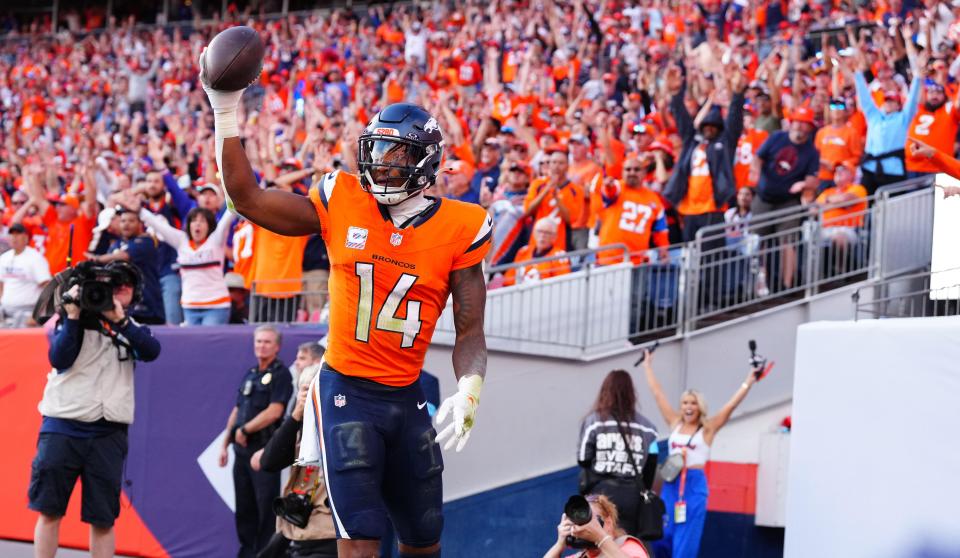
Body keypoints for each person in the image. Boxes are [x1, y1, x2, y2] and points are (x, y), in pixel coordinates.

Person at [203, 53, 490, 557]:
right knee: (358, 538)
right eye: (375, 149)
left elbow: (470, 330)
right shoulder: (342, 197)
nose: (379, 162)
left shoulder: (462, 225)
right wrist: (225, 109)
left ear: (424, 163)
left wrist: (469, 389)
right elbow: (246, 198)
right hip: (346, 391)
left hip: (406, 394)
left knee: (425, 542)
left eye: (395, 154)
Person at [28, 261, 161, 558]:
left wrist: (120, 320)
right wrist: (73, 316)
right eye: (112, 286)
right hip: (62, 425)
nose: (115, 291)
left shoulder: (134, 328)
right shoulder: (70, 319)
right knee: (49, 511)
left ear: (134, 294)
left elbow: (151, 352)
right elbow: (59, 359)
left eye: (125, 286)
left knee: (102, 518)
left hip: (107, 432)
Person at [642, 350, 763, 558]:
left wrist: (748, 381)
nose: (689, 407)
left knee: (686, 540)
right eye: (685, 403)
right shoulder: (675, 422)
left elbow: (731, 406)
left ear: (700, 407)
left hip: (693, 485)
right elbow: (658, 394)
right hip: (671, 483)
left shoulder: (708, 428)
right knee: (664, 535)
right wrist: (647, 366)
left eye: (693, 403)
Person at [218, 325, 294, 558]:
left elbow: (275, 411)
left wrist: (246, 429)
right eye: (258, 341)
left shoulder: (281, 374)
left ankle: (264, 554)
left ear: (277, 346)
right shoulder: (251, 373)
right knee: (245, 508)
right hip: (241, 451)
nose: (261, 345)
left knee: (265, 509)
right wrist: (225, 443)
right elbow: (238, 409)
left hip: (263, 451)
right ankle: (247, 553)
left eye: (267, 342)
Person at [252, 360, 338, 558]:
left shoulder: (344, 425)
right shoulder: (300, 427)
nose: (311, 397)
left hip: (329, 533)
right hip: (296, 530)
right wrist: (297, 413)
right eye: (305, 391)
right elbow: (268, 463)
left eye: (315, 391)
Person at [577, 370, 659, 540]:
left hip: (601, 494)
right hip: (632, 496)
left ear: (605, 391)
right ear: (631, 393)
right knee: (626, 544)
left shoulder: (594, 421)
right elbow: (650, 468)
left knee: (597, 543)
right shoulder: (649, 428)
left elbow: (583, 459)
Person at [134, 200, 236, 326]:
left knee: (210, 345)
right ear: (189, 225)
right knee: (194, 345)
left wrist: (237, 196)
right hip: (190, 306)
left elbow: (228, 217)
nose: (197, 224)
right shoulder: (181, 241)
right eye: (194, 220)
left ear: (209, 225)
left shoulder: (215, 241)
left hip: (217, 305)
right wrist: (139, 210)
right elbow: (159, 226)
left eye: (202, 221)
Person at [87, 208, 166, 325]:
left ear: (140, 223)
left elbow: (124, 256)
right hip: (124, 307)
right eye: (123, 221)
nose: (126, 224)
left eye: (131, 221)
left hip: (148, 307)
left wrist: (96, 259)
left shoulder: (146, 241)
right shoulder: (117, 244)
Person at [595, 160, 670, 266]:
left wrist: (664, 249)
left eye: (636, 169)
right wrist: (608, 186)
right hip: (609, 259)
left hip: (637, 262)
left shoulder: (654, 199)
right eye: (628, 169)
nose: (632, 173)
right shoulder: (618, 187)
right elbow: (609, 193)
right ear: (622, 172)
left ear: (644, 172)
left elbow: (661, 230)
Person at [543, 494, 649, 558]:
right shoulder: (582, 556)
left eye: (592, 520)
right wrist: (559, 545)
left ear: (608, 523)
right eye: (579, 522)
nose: (585, 527)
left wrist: (600, 538)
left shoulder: (627, 546)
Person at [0, 222, 50, 327]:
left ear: (26, 238)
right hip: (5, 310)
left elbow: (48, 288)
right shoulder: (4, 258)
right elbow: (1, 285)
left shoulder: (35, 258)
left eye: (18, 234)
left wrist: (37, 314)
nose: (14, 238)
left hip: (27, 311)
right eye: (12, 234)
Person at [502, 217, 572, 286]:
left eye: (547, 233)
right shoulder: (523, 251)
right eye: (540, 231)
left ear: (555, 236)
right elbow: (509, 280)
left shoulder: (559, 257)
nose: (542, 236)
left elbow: (563, 284)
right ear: (534, 233)